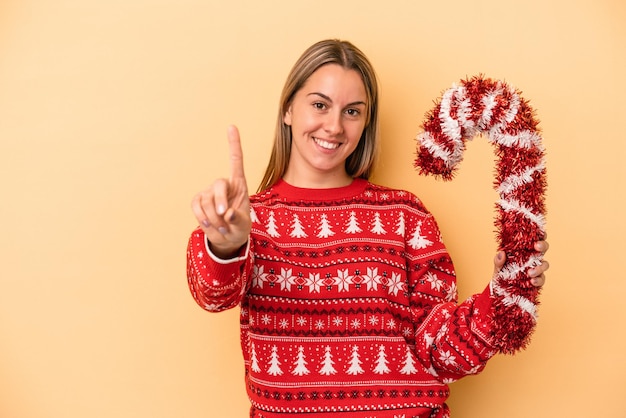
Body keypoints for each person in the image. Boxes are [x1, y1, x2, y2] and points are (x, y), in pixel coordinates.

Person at [186, 39, 549, 418]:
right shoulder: (246, 220)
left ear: (366, 122)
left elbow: (442, 353)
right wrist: (225, 246)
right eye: (319, 104)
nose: (334, 126)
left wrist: (502, 297)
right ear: (288, 109)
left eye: (352, 111)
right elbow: (212, 294)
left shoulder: (405, 214)